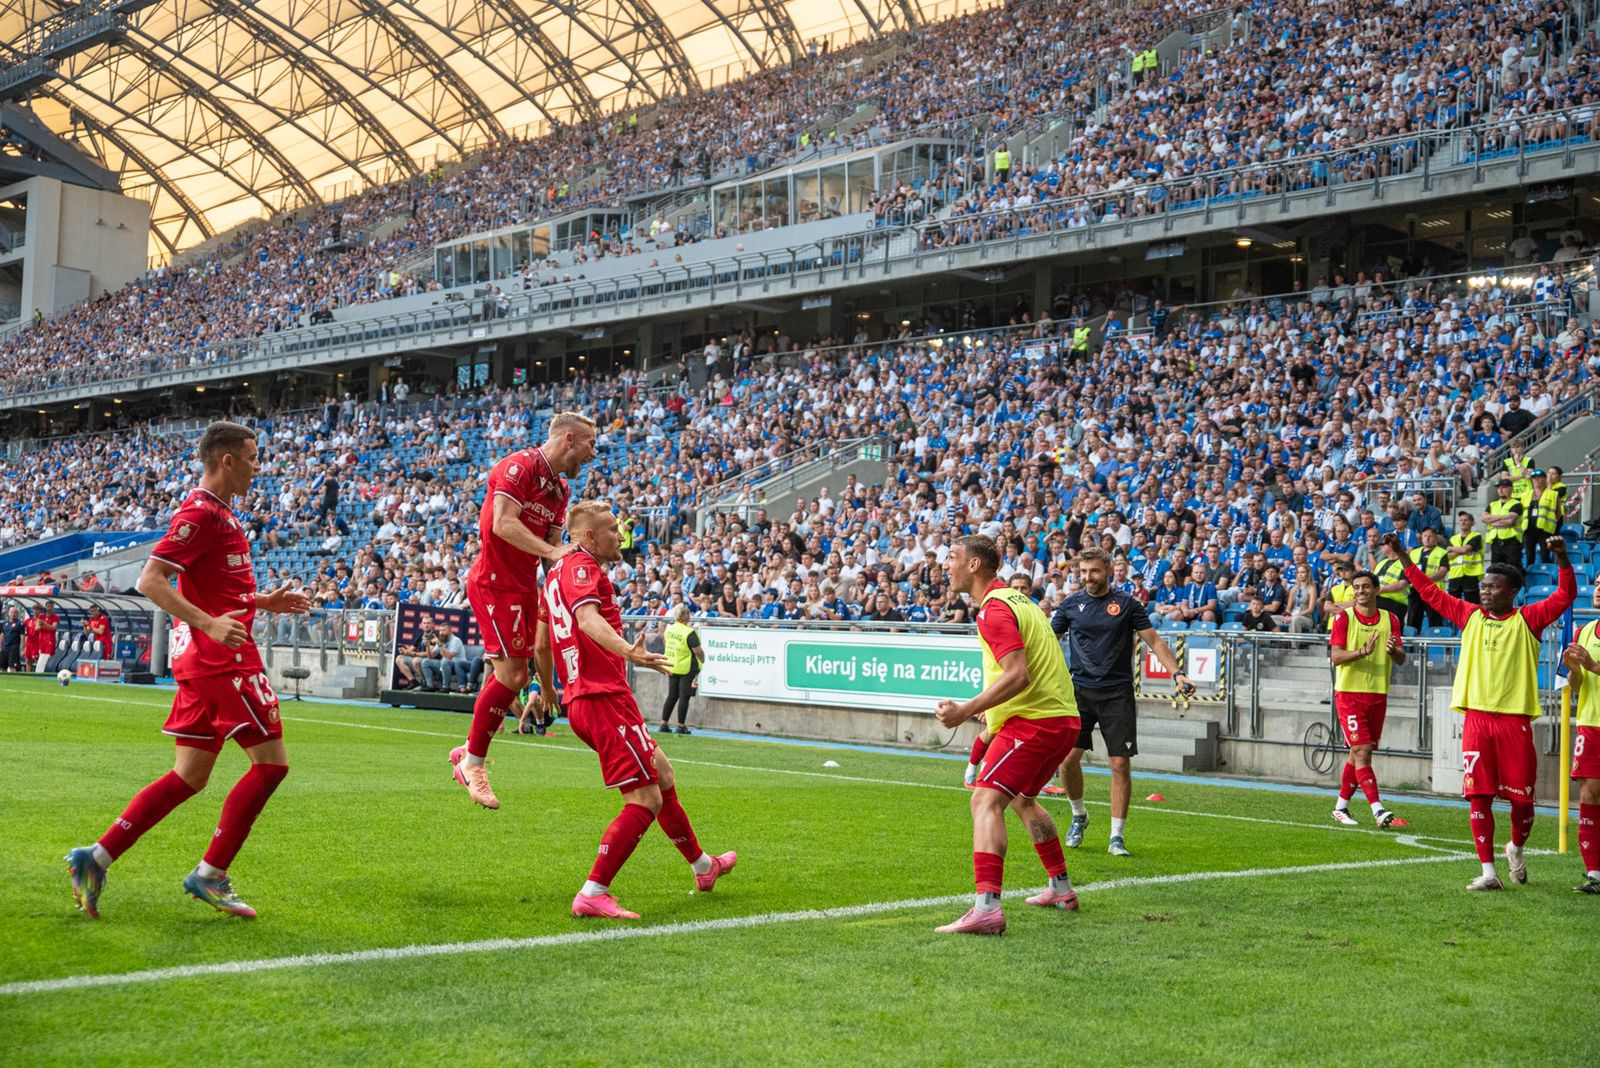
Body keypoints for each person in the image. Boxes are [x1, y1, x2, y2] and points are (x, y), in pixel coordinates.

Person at [64, 422, 312, 920]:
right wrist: (209, 624)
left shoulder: (222, 514)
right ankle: (211, 874)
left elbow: (214, 587)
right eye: (252, 456)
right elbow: (151, 581)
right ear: (227, 460)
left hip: (205, 662)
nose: (258, 466)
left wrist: (264, 601)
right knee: (271, 765)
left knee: (189, 776)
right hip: (224, 663)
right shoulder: (200, 513)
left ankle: (96, 858)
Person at [545, 501, 736, 920]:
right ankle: (594, 890)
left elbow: (545, 637)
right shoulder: (581, 567)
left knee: (662, 774)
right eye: (613, 529)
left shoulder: (555, 573)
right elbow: (587, 618)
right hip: (601, 698)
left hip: (586, 697)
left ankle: (704, 867)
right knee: (645, 797)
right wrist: (629, 651)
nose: (620, 535)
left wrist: (546, 686)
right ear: (590, 537)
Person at [1383, 532, 1574, 890]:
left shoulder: (1529, 619)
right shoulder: (1468, 614)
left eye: (1493, 587)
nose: (1484, 591)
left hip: (1515, 722)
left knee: (1523, 804)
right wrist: (1404, 557)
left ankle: (1515, 847)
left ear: (1512, 591)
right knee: (1478, 795)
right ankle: (1489, 872)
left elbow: (1565, 596)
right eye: (1483, 586)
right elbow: (1429, 592)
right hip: (1476, 721)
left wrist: (1562, 560)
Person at [933, 534, 1080, 935]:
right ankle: (1061, 888)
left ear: (974, 565)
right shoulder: (1021, 602)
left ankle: (987, 908)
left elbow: (1018, 674)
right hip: (1060, 719)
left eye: (951, 557)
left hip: (1035, 721)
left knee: (984, 801)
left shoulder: (993, 610)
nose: (945, 565)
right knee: (1022, 801)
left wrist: (967, 709)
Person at [451, 411, 597, 809]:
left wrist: (563, 591)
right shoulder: (518, 467)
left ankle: (468, 750)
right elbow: (502, 523)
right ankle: (472, 763)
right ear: (569, 439)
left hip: (522, 588)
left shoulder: (559, 491)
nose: (593, 454)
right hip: (494, 582)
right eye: (589, 444)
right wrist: (552, 551)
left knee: (513, 675)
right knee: (514, 674)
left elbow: (552, 553)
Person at [1048, 548, 1192, 856]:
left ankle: (1116, 836)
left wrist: (1177, 674)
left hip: (1117, 693)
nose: (1088, 577)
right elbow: (1047, 641)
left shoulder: (1126, 605)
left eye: (1094, 571)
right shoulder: (1071, 605)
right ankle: (1078, 815)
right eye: (1083, 571)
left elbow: (1154, 640)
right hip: (1079, 692)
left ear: (1109, 570)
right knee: (1067, 760)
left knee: (1119, 763)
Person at [1328, 570, 1407, 828]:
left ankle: (1340, 808)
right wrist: (1363, 651)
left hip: (1377, 693)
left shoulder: (1390, 618)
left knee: (1358, 754)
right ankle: (1378, 811)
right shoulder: (1344, 617)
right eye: (1357, 588)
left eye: (1365, 587)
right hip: (1349, 693)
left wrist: (1393, 650)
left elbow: (1401, 657)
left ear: (1376, 590)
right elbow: (1336, 657)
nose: (1360, 591)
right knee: (1363, 751)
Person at [1560, 622, 1600, 894]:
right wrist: (1575, 670)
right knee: (1588, 795)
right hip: (1590, 723)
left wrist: (1594, 666)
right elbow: (1577, 687)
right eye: (1597, 583)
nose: (1598, 589)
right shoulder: (1584, 631)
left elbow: (1593, 669)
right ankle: (1594, 874)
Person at [659, 603, 704, 735]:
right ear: (688, 617)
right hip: (686, 667)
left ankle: (664, 723)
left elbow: (666, 644)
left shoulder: (669, 630)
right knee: (684, 696)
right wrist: (703, 660)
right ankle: (681, 725)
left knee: (672, 695)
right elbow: (698, 651)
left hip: (672, 665)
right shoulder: (689, 632)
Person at [1405, 527, 1451, 630]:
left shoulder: (1442, 552)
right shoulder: (1414, 552)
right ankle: (1412, 646)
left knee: (1435, 621)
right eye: (1425, 536)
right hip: (1415, 591)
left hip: (1433, 590)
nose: (1427, 538)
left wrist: (1422, 580)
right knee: (1412, 621)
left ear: (1436, 538)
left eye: (1430, 536)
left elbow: (1442, 572)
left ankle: (1436, 644)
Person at [1481, 479, 1524, 569]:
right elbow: (1484, 518)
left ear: (1511, 489)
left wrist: (1492, 520)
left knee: (1513, 569)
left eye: (1504, 487)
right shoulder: (1492, 504)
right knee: (1496, 570)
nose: (1500, 490)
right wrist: (1504, 517)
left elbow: (1510, 522)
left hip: (1511, 542)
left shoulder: (1517, 504)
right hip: (1496, 543)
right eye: (1498, 488)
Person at [1445, 512, 1484, 605]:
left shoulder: (1476, 536)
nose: (1463, 522)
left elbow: (1466, 549)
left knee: (1473, 604)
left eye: (1465, 520)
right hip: (1455, 574)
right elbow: (1448, 555)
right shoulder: (1453, 538)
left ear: (1472, 523)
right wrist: (1459, 550)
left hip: (1471, 573)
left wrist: (1451, 548)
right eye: (1461, 520)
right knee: (1454, 604)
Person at [1523, 470, 1560, 567]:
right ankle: (1529, 576)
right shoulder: (1526, 495)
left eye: (1539, 478)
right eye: (1534, 478)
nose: (1536, 480)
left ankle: (1547, 574)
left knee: (1545, 554)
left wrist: (1553, 524)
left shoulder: (1553, 494)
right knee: (1529, 556)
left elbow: (1558, 513)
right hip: (1529, 529)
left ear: (1544, 479)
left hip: (1545, 529)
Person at [0, 605, 24, 671]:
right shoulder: (5, 623)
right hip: (5, 647)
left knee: (12, 666)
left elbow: (22, 637)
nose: (13, 614)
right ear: (8, 613)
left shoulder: (20, 624)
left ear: (17, 614)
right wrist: (0, 646)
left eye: (14, 612)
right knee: (2, 667)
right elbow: (2, 635)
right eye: (11, 612)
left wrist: (22, 649)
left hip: (14, 648)